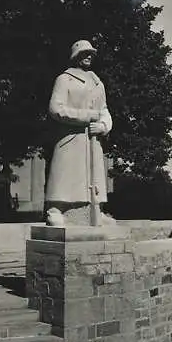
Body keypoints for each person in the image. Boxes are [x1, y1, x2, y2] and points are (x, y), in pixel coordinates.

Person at [45, 39, 115, 226]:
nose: (89, 56)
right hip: (70, 137)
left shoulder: (98, 83)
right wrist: (87, 116)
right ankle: (56, 209)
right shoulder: (64, 79)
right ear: (76, 56)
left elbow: (105, 110)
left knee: (94, 178)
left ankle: (96, 211)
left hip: (93, 138)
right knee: (66, 174)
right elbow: (55, 108)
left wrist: (103, 126)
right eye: (85, 53)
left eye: (91, 53)